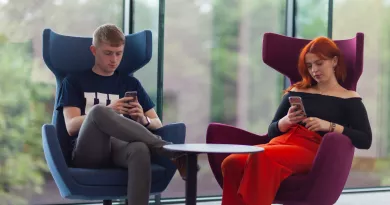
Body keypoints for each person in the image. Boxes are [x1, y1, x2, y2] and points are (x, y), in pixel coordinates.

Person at [220, 36, 372, 205]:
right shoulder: (297, 91)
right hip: (281, 142)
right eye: (309, 65)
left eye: (319, 63)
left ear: (334, 61)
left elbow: (365, 140)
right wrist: (285, 121)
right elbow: (271, 131)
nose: (314, 70)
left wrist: (329, 126)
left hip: (314, 149)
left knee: (261, 158)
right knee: (232, 162)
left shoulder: (349, 98)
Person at [57, 24, 191, 205]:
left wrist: (143, 119)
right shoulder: (73, 81)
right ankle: (168, 149)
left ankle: (166, 152)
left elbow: (158, 124)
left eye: (119, 53)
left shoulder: (130, 84)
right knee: (98, 112)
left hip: (120, 148)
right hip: (89, 152)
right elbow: (71, 126)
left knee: (140, 149)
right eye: (108, 53)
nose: (114, 59)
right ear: (94, 50)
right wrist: (110, 110)